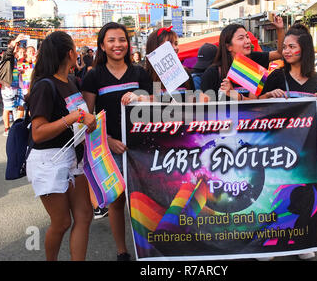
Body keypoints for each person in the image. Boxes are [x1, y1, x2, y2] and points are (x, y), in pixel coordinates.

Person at [81, 22, 153, 261]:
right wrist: (108, 140)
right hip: (111, 150)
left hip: (141, 149)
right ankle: (122, 251)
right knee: (117, 202)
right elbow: (87, 119)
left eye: (121, 39)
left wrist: (141, 96)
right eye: (111, 40)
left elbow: (157, 103)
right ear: (102, 45)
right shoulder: (93, 76)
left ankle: (150, 249)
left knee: (145, 201)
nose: (117, 45)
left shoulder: (140, 73)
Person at [26, 31, 97, 261]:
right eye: (76, 48)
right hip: (49, 160)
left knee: (84, 215)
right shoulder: (45, 86)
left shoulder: (72, 82)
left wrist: (89, 121)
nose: (78, 53)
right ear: (70, 53)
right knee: (62, 222)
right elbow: (38, 133)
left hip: (73, 155)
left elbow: (78, 118)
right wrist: (74, 117)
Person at [258, 23, 317, 260]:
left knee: (306, 194)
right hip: (277, 146)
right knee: (275, 193)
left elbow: (315, 112)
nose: (285, 51)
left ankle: (303, 241)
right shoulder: (277, 75)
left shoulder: (315, 79)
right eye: (284, 47)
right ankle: (270, 240)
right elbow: (256, 106)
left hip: (306, 147)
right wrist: (268, 95)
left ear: (304, 50)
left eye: (291, 46)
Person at [200, 16, 284, 102]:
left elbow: (253, 103)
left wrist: (280, 29)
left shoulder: (254, 60)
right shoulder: (212, 73)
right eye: (241, 38)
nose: (247, 41)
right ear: (229, 47)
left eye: (247, 37)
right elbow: (204, 109)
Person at [145, 26, 194, 102]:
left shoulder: (185, 73)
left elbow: (192, 102)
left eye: (176, 43)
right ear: (155, 47)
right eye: (169, 44)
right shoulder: (145, 75)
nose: (175, 48)